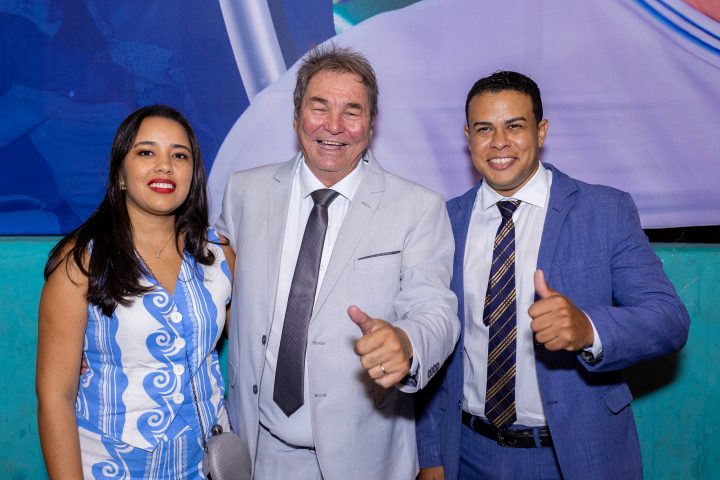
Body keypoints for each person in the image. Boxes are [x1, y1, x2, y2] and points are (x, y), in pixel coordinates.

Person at [415, 71, 690, 480]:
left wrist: (588, 328)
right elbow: (432, 340)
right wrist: (431, 454)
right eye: (484, 129)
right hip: (467, 453)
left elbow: (668, 319)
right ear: (468, 137)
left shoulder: (605, 211)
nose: (499, 142)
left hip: (574, 456)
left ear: (541, 131)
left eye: (515, 126)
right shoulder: (445, 220)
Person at [215, 45, 459, 479]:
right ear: (296, 118)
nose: (334, 125)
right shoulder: (244, 192)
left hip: (364, 458)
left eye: (352, 111)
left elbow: (435, 308)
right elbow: (211, 284)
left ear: (371, 124)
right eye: (319, 107)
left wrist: (408, 343)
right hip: (258, 452)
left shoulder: (418, 207)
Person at [36, 105, 235, 479]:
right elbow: (55, 398)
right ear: (121, 174)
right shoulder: (81, 262)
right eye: (146, 152)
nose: (165, 166)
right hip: (112, 464)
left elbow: (255, 341)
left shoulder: (218, 253)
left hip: (203, 462)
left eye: (180, 155)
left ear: (193, 174)